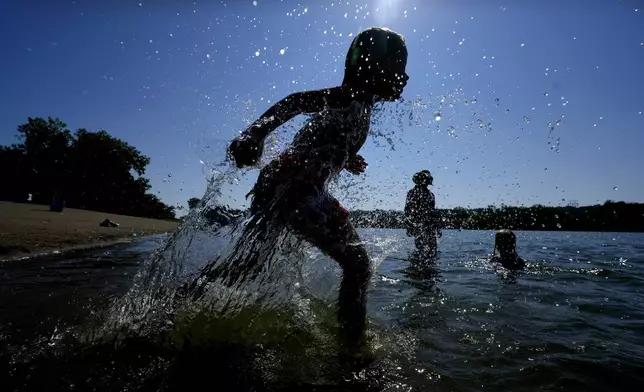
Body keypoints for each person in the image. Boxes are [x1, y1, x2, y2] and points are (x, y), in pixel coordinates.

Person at [189, 27, 409, 356]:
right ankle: (352, 351)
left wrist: (346, 158)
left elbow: (322, 141)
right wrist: (255, 134)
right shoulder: (347, 96)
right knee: (358, 265)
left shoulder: (360, 106)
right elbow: (294, 102)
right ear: (371, 65)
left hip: (289, 184)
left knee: (249, 265)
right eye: (397, 67)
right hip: (293, 183)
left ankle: (186, 294)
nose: (402, 76)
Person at [404, 170, 441, 256]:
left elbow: (433, 212)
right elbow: (407, 210)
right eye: (424, 180)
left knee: (432, 251)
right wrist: (409, 225)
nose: (426, 183)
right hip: (418, 225)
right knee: (421, 250)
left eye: (427, 180)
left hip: (430, 226)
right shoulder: (412, 192)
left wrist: (437, 227)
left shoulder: (431, 194)